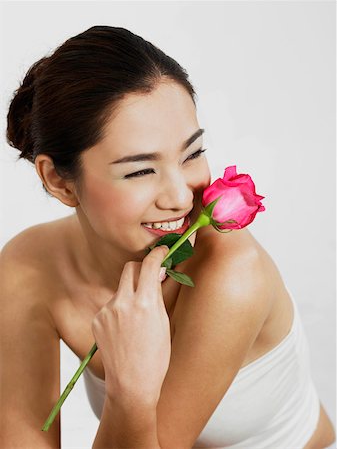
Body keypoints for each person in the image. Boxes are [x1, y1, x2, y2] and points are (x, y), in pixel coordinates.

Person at [1, 25, 335, 449]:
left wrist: (132, 389)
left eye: (192, 154)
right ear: (59, 181)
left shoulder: (232, 273)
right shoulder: (29, 265)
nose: (181, 196)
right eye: (140, 170)